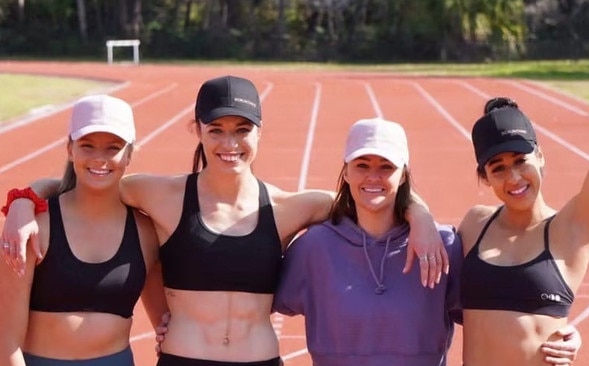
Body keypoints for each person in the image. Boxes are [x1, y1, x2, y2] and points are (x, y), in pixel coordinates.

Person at [1, 75, 447, 365]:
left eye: (241, 130)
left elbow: (371, 191)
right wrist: (24, 199)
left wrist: (420, 213)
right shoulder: (162, 194)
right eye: (216, 130)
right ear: (197, 130)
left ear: (259, 132)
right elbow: (91, 178)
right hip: (183, 359)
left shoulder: (291, 206)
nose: (229, 143)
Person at [270, 118, 581, 366]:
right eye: (362, 165)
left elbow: (495, 310)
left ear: (404, 174)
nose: (373, 177)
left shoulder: (442, 246)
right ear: (346, 172)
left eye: (386, 167)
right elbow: (252, 305)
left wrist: (557, 330)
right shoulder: (315, 248)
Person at [459, 4, 589, 364]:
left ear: (540, 156)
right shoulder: (473, 225)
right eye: (497, 168)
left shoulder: (573, 228)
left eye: (521, 161)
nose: (513, 177)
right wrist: (420, 216)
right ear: (484, 176)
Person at [0, 95, 166, 366]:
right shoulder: (32, 227)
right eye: (87, 146)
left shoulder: (146, 232)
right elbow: (5, 343)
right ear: (70, 149)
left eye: (112, 147)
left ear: (130, 154)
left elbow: (168, 323)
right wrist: (23, 200)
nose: (99, 159)